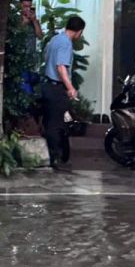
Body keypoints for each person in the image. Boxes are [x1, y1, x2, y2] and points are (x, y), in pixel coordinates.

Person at [41, 15, 84, 172]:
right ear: (79, 32)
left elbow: (46, 57)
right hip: (57, 88)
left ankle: (53, 156)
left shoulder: (55, 39)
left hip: (47, 86)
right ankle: (56, 158)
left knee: (50, 123)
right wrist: (70, 87)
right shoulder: (66, 43)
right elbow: (61, 67)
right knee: (56, 124)